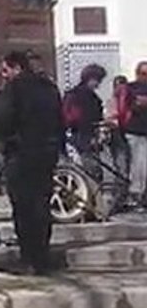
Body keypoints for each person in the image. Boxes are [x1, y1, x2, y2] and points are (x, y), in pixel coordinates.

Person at [0, 51, 65, 275]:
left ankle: (29, 257)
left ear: (16, 67)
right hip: (47, 151)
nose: (3, 75)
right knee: (42, 204)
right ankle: (42, 255)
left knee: (23, 206)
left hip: (21, 152)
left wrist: (5, 140)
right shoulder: (49, 87)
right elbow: (59, 119)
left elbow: (4, 118)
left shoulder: (14, 88)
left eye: (5, 70)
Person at [63, 64, 106, 175]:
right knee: (91, 167)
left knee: (85, 167)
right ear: (90, 78)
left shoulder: (73, 94)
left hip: (76, 133)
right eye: (98, 80)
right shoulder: (88, 97)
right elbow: (85, 118)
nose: (98, 84)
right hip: (84, 134)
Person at [117, 62, 147, 210]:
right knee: (139, 165)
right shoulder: (130, 88)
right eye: (143, 74)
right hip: (135, 131)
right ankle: (136, 195)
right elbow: (123, 108)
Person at [107, 75, 131, 207]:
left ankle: (123, 196)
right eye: (117, 85)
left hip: (125, 134)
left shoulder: (128, 101)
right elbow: (111, 117)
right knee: (121, 167)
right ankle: (120, 196)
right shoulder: (113, 101)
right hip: (117, 136)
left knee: (125, 167)